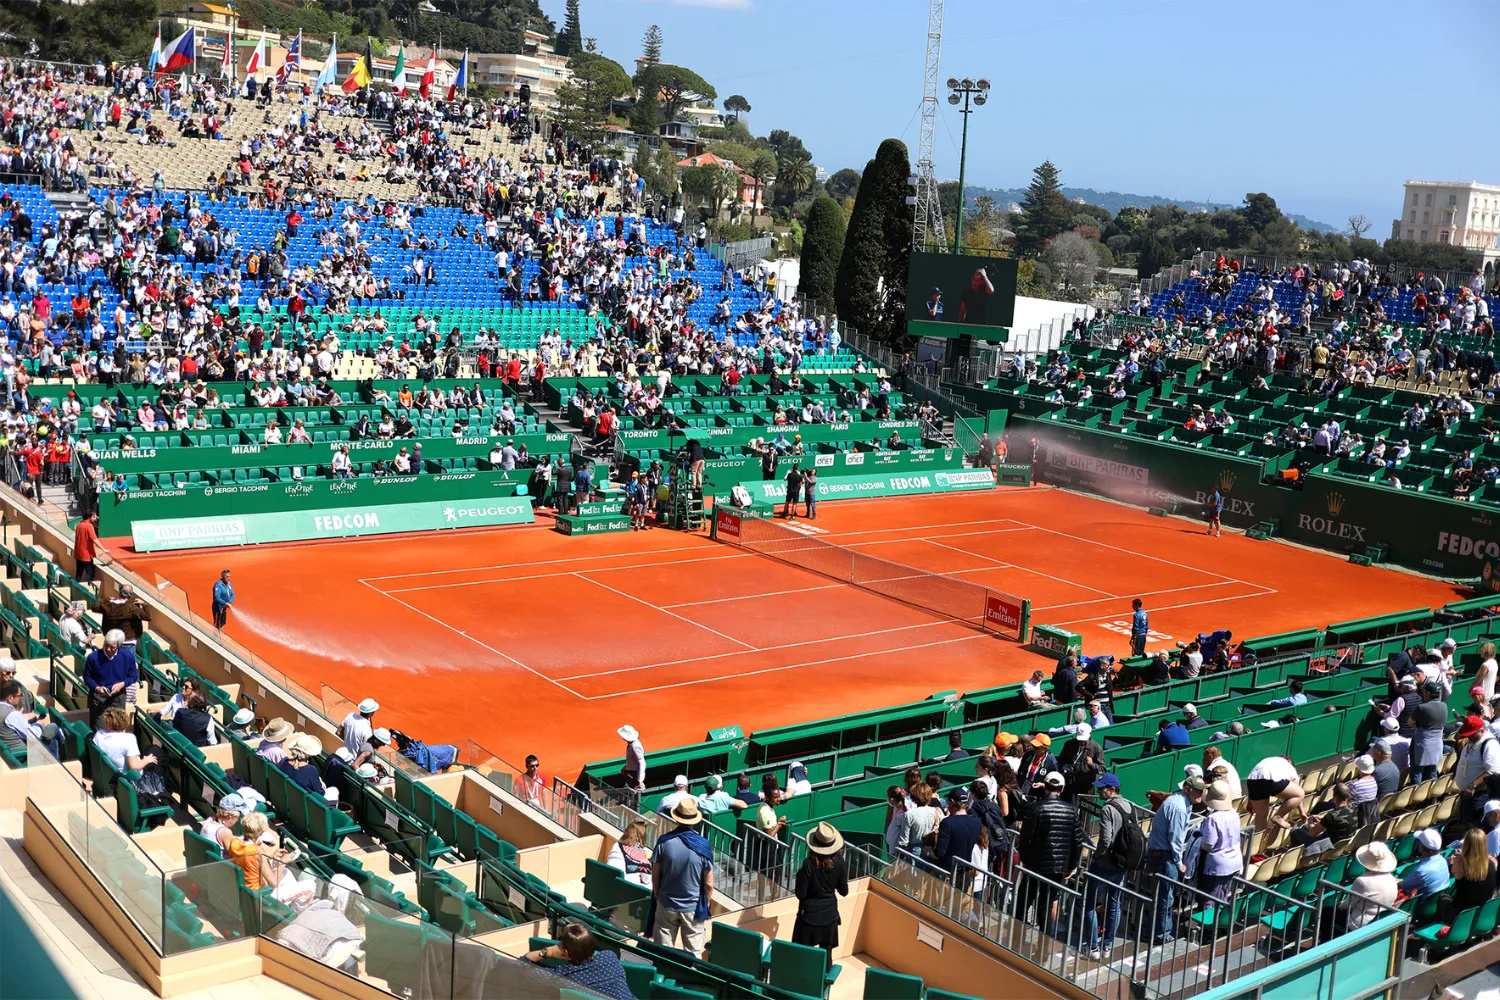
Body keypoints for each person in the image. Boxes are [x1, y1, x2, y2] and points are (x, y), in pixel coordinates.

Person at [1016, 772, 1085, 930]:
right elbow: (1077, 842)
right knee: (1046, 906)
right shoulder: (1071, 811)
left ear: (1045, 787)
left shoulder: (1035, 808)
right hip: (1057, 868)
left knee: (1024, 900)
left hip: (1035, 865)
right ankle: (1043, 946)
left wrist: (1026, 859)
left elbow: (1025, 839)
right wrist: (1071, 866)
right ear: (1061, 789)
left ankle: (1017, 936)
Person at [651, 799, 714, 957]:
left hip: (666, 904)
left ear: (676, 817)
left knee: (662, 955)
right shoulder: (703, 846)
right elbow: (709, 883)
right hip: (693, 908)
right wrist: (706, 902)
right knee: (693, 955)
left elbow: (655, 875)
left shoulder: (663, 842)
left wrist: (658, 894)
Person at [1146, 776, 1206, 944]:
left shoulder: (1178, 802)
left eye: (1202, 790)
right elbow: (1175, 839)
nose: (1201, 793)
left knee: (1163, 896)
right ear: (1187, 789)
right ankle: (1161, 935)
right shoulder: (1179, 807)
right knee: (1166, 897)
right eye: (1198, 790)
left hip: (1162, 854)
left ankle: (1155, 931)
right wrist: (1180, 863)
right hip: (1165, 857)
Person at [1083, 774, 1138, 957]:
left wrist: (1096, 856)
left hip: (1104, 864)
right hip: (1121, 864)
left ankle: (1092, 947)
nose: (1099, 791)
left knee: (1089, 903)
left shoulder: (1107, 809)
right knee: (1114, 904)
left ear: (1112, 789)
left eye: (1102, 788)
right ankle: (1107, 946)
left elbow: (1105, 839)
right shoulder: (1130, 805)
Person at [525, 923, 634, 1000]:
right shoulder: (609, 956)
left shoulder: (561, 977)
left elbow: (523, 963)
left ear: (566, 952)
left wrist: (550, 951)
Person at [792, 822, 849, 953]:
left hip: (808, 917)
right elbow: (844, 891)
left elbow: (800, 894)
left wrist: (801, 876)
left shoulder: (808, 864)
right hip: (830, 916)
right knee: (826, 959)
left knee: (803, 955)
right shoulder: (840, 862)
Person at [82, 629, 137, 730]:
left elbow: (133, 676)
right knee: (100, 731)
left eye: (112, 647)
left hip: (118, 698)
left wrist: (122, 684)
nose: (108, 649)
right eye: (106, 645)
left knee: (118, 729)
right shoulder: (93, 658)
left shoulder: (127, 656)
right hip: (98, 699)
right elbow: (87, 677)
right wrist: (97, 688)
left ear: (118, 645)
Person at [1197, 781, 1243, 901]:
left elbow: (1208, 845)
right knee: (1223, 896)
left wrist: (1197, 841)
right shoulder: (1234, 813)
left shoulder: (1213, 818)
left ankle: (1209, 920)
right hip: (1234, 861)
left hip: (1217, 865)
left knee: (1208, 900)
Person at [1, 680, 62, 760]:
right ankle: (63, 739)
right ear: (10, 698)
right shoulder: (12, 715)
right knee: (52, 728)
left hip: (8, 755)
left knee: (53, 739)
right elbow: (33, 736)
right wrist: (40, 723)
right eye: (19, 695)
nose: (21, 698)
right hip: (23, 755)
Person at [1344, 842, 1399, 929]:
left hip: (1359, 923)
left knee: (1327, 912)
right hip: (1380, 920)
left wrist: (1339, 905)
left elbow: (1349, 904)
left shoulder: (1362, 881)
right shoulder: (1392, 878)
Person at [1455, 713, 1500, 818]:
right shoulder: (1474, 739)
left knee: (1474, 827)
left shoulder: (1490, 744)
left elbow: (1493, 771)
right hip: (1468, 794)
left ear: (1482, 730)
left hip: (1479, 795)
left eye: (1471, 734)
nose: (1469, 737)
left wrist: (1472, 785)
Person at [1447, 827, 1497, 918]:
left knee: (1443, 899)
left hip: (1461, 914)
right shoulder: (1492, 863)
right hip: (1483, 913)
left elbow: (1454, 873)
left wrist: (1457, 858)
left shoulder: (1460, 864)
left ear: (1466, 845)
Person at [1245, 755, 1305, 831]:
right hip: (1270, 779)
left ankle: (1260, 840)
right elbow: (1298, 792)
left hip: (1252, 781)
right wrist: (1302, 812)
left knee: (1261, 816)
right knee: (1301, 793)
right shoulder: (1291, 768)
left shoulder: (1269, 760)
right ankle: (1278, 816)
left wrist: (1250, 803)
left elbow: (1258, 777)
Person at [933, 787, 983, 875]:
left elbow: (940, 852)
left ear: (952, 803)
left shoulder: (947, 823)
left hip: (947, 873)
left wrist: (928, 851)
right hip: (965, 873)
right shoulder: (977, 822)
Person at [1410, 683, 1448, 783]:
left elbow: (1410, 722)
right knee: (1432, 771)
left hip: (1422, 744)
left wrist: (1418, 725)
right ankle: (1432, 797)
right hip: (1436, 744)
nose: (1423, 693)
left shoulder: (1422, 707)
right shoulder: (1444, 705)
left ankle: (1415, 797)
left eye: (1424, 691)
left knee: (1417, 772)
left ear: (1428, 693)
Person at [1399, 829, 1451, 899]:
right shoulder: (1443, 860)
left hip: (1420, 905)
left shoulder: (1421, 871)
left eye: (1419, 842)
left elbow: (1402, 887)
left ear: (1422, 847)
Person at [607, 820, 653, 887]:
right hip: (628, 889)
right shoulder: (642, 854)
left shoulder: (616, 845)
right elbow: (646, 879)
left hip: (610, 883)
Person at [617, 724, 645, 803]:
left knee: (630, 791)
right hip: (630, 772)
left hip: (634, 775)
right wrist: (626, 767)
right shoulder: (631, 744)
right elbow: (633, 760)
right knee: (627, 791)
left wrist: (639, 780)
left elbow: (641, 762)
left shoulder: (635, 746)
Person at [73, 511, 100, 583]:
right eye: (94, 517)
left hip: (78, 553)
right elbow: (94, 539)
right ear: (89, 517)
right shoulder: (89, 526)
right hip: (86, 555)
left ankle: (76, 585)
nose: (95, 518)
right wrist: (104, 549)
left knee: (79, 573)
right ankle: (85, 588)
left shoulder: (79, 524)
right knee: (90, 573)